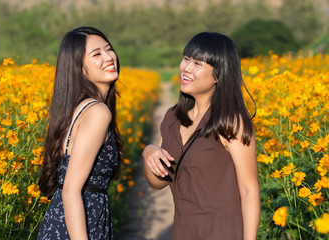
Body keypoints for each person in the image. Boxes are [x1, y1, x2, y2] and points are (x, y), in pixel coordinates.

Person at [142, 32, 260, 239]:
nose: (186, 68)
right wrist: (149, 152)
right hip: (183, 231)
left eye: (197, 63)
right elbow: (157, 182)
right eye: (186, 59)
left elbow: (249, 191)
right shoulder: (172, 118)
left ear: (218, 76)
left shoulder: (230, 122)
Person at [37, 26, 122, 240]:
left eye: (108, 49)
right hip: (80, 225)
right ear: (81, 70)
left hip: (61, 222)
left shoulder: (76, 108)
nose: (109, 57)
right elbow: (71, 190)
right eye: (97, 54)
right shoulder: (97, 112)